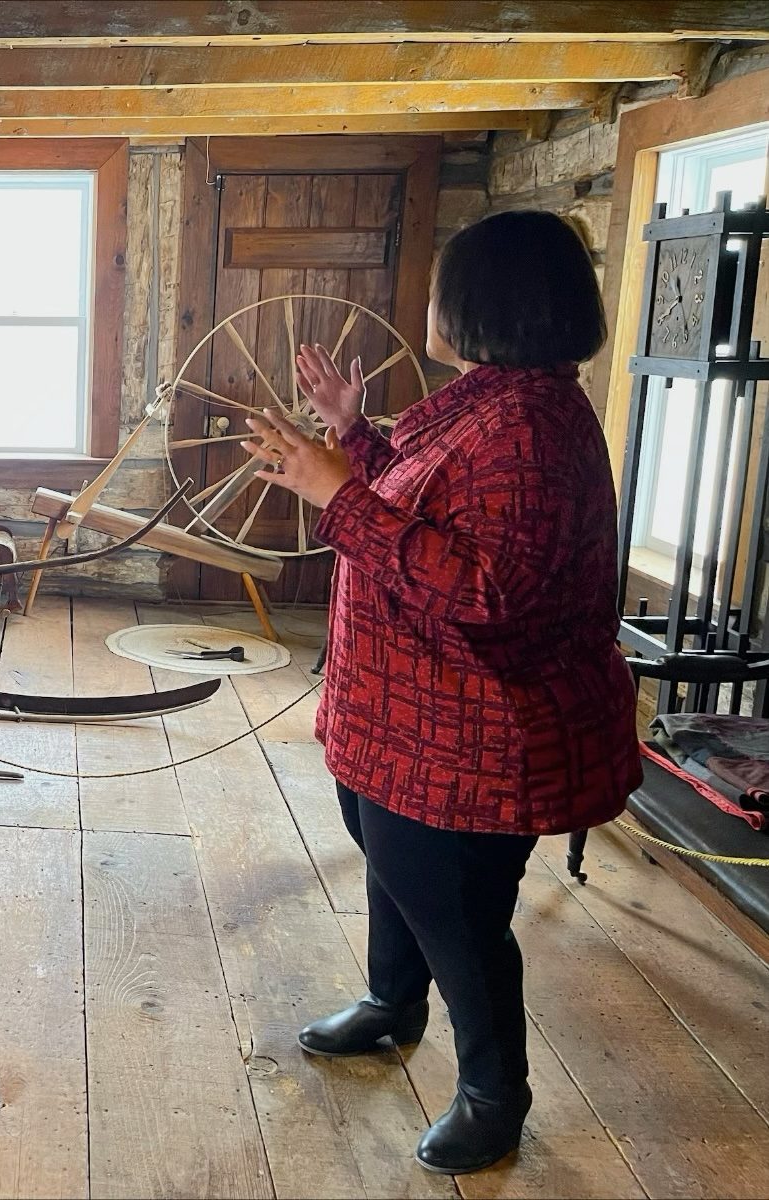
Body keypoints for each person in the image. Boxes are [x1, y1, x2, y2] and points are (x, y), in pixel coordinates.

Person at [242, 210, 642, 1175]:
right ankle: (393, 1003)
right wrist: (353, 437)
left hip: (473, 733)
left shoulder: (531, 432)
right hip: (409, 717)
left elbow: (488, 594)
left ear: (483, 303)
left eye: (440, 285)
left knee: (456, 913)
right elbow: (427, 503)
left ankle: (494, 1096)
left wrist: (335, 492)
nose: (427, 300)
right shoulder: (494, 405)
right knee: (393, 862)